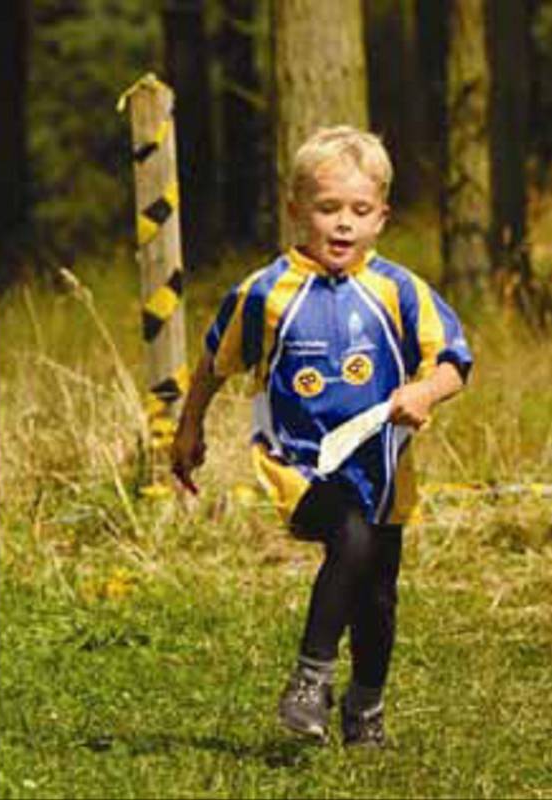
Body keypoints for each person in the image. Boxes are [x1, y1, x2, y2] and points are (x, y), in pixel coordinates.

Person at [171, 126, 472, 747]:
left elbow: (454, 363)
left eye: (359, 212)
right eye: (327, 209)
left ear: (381, 218)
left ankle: (365, 710)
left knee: (379, 595)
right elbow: (212, 366)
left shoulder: (400, 289)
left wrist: (424, 392)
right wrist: (189, 427)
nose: (342, 225)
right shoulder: (263, 294)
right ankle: (310, 680)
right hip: (297, 464)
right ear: (295, 211)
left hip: (382, 466)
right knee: (351, 536)